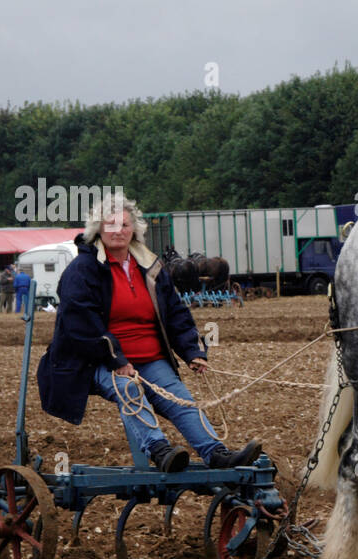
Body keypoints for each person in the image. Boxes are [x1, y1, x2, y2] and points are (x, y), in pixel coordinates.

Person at [36, 195, 261, 472]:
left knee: (180, 399)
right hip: (95, 361)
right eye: (111, 225)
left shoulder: (150, 267)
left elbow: (176, 312)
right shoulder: (82, 270)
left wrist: (193, 351)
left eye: (124, 224)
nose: (118, 231)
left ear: (134, 229)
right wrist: (117, 361)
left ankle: (217, 453)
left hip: (150, 358)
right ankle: (160, 450)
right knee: (128, 389)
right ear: (98, 229)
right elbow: (80, 323)